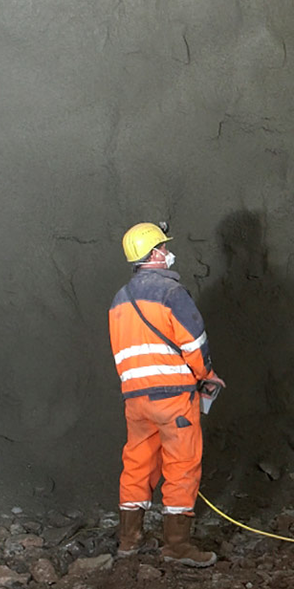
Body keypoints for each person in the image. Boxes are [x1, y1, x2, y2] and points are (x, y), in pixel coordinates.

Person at [109, 222, 224, 565]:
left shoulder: (120, 299)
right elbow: (194, 341)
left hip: (135, 398)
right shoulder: (172, 294)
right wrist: (207, 377)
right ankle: (176, 545)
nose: (167, 252)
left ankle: (128, 541)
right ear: (154, 254)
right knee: (181, 464)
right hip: (173, 396)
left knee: (137, 463)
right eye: (163, 247)